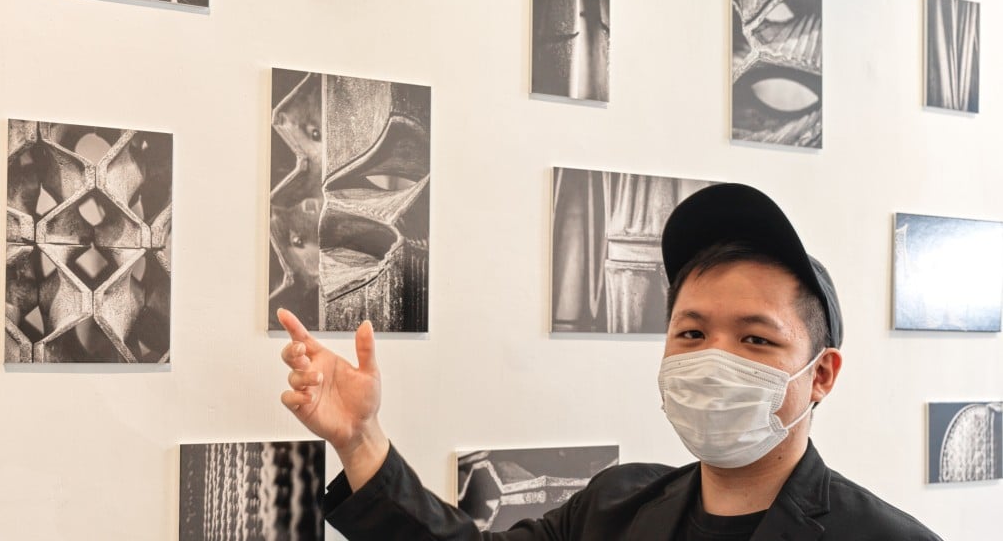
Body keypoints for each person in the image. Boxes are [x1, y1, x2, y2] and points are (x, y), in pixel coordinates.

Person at [278, 183, 942, 540]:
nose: (714, 359)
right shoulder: (613, 508)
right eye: (690, 333)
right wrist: (360, 440)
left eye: (756, 340)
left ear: (820, 374)